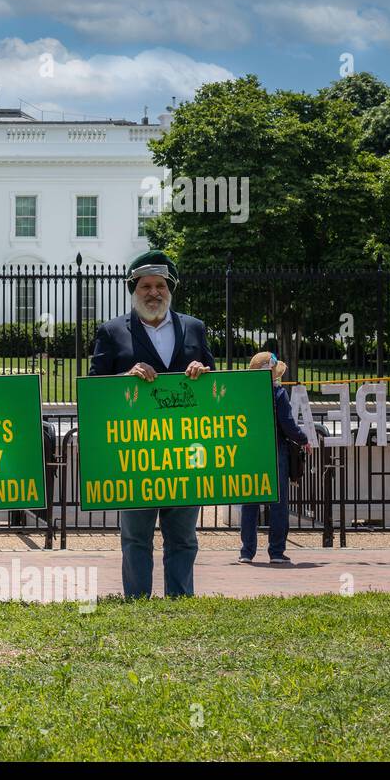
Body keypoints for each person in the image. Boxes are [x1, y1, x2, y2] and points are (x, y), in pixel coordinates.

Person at [90, 249, 214, 598]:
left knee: (184, 536)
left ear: (170, 289)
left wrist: (204, 374)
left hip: (186, 450)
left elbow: (217, 388)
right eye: (145, 286)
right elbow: (95, 388)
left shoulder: (194, 328)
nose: (153, 292)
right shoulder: (112, 332)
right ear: (134, 290)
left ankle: (180, 597)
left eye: (160, 285)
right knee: (135, 536)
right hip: (136, 453)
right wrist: (125, 378)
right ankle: (137, 600)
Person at [239, 351, 310, 565]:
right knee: (278, 503)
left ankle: (247, 551)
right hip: (275, 450)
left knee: (250, 502)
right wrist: (304, 438)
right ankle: (276, 552)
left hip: (251, 451)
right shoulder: (278, 394)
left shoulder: (245, 395)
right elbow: (287, 425)